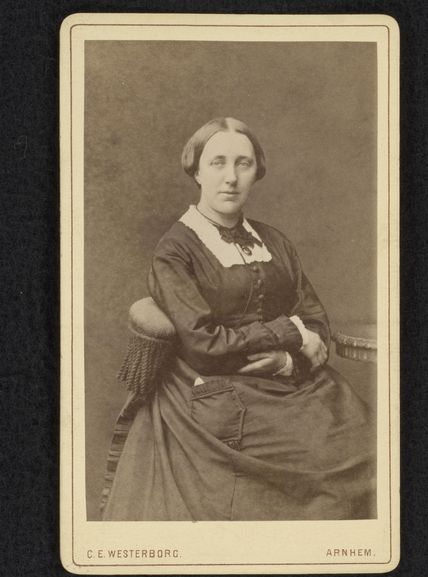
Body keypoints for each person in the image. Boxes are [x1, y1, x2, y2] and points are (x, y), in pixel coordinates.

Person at [102, 117, 375, 521]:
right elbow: (204, 345)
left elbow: (315, 320)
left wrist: (289, 360)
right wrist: (288, 332)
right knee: (329, 474)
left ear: (256, 171)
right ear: (196, 171)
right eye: (217, 163)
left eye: (243, 163)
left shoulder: (275, 241)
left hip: (295, 381)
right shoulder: (175, 251)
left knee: (373, 446)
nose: (230, 177)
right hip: (221, 391)